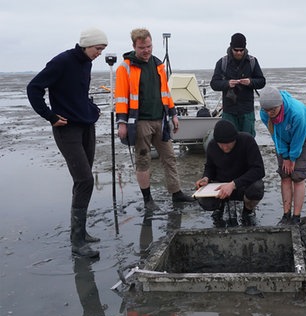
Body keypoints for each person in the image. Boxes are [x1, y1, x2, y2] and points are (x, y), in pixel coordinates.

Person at [27, 27, 108, 258]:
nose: (99, 53)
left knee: (82, 180)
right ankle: (77, 242)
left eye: (102, 50)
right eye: (98, 49)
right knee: (85, 180)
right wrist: (50, 116)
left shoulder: (87, 63)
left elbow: (79, 93)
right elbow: (33, 88)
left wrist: (92, 109)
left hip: (86, 126)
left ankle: (80, 232)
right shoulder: (61, 61)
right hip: (66, 128)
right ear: (86, 45)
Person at [115, 28, 193, 210]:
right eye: (142, 47)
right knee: (143, 160)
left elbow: (166, 93)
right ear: (134, 46)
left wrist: (173, 114)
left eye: (149, 46)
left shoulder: (158, 65)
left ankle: (176, 193)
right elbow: (121, 98)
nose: (146, 50)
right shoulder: (125, 68)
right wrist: (122, 123)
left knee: (170, 157)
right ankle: (147, 199)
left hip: (161, 121)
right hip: (140, 122)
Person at [259, 87, 306, 225]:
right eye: (267, 110)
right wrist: (284, 156)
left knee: (297, 176)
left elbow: (298, 139)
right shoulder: (264, 114)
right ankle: (286, 215)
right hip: (282, 138)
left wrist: (292, 158)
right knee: (285, 175)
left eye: (273, 110)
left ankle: (296, 217)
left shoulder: (296, 113)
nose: (270, 113)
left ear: (280, 105)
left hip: (304, 136)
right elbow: (275, 135)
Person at [195, 120, 265, 227]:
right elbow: (210, 167)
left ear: (235, 139)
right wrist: (206, 178)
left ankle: (248, 210)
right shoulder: (212, 146)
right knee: (204, 200)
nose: (225, 147)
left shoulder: (247, 141)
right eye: (221, 145)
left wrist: (233, 184)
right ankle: (219, 207)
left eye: (228, 144)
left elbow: (259, 170)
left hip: (243, 184)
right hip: (221, 185)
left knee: (257, 187)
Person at [210, 33, 266, 137]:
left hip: (247, 110)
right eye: (236, 50)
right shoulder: (222, 62)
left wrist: (250, 82)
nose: (239, 53)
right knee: (228, 139)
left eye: (241, 50)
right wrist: (227, 84)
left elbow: (262, 81)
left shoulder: (252, 61)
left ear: (245, 48)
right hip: (229, 111)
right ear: (231, 48)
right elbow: (214, 84)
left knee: (248, 140)